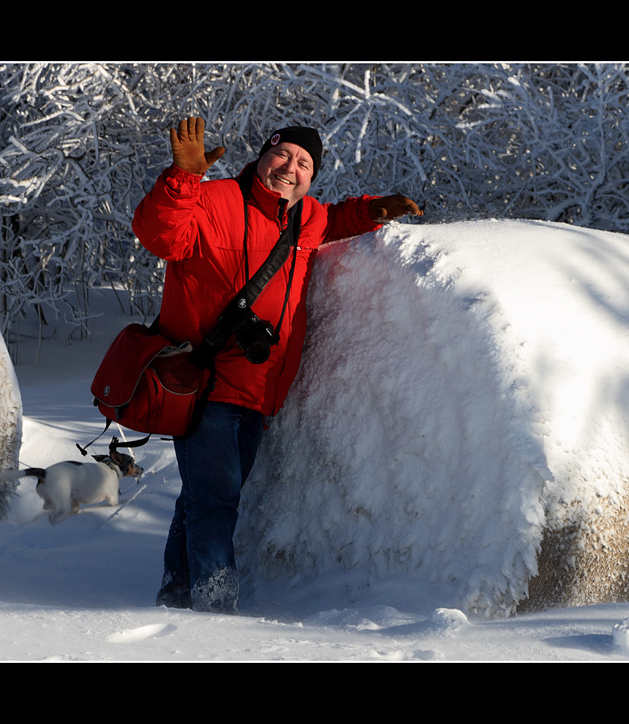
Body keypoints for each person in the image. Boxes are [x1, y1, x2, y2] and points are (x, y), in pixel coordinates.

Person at [133, 116, 421, 613]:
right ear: (262, 156)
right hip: (207, 381)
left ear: (313, 176)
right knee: (217, 500)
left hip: (262, 388)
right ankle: (214, 604)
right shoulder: (214, 199)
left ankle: (176, 589)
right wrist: (182, 179)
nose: (290, 168)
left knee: (206, 497)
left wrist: (374, 210)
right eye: (283, 155)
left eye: (304, 163)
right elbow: (159, 234)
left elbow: (333, 221)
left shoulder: (305, 217)